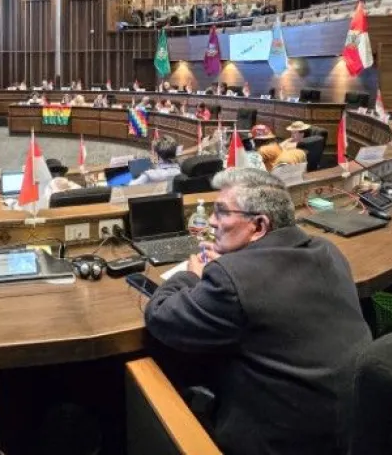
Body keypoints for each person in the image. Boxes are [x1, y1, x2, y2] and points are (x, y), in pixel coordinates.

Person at [144, 169, 371, 455]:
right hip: (353, 428)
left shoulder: (231, 279)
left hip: (280, 441)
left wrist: (192, 275)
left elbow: (160, 316)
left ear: (259, 225)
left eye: (222, 212)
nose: (211, 221)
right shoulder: (328, 250)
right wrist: (235, 262)